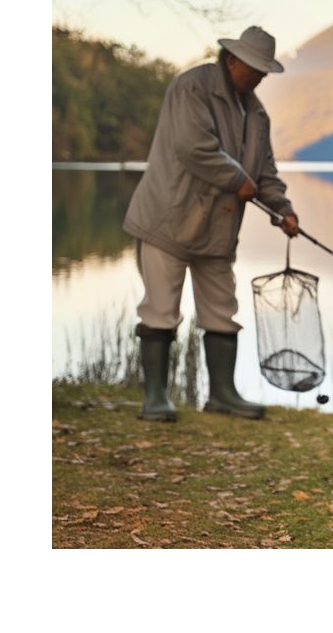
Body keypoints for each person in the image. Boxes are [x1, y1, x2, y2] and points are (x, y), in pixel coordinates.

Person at [123, 26, 299, 421]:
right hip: (166, 222)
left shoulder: (257, 114)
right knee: (160, 310)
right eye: (255, 68)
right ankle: (156, 398)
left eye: (264, 71)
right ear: (232, 59)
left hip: (218, 232)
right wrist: (238, 179)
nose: (260, 76)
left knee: (222, 310)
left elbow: (265, 172)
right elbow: (193, 147)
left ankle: (223, 394)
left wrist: (283, 208)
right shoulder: (191, 88)